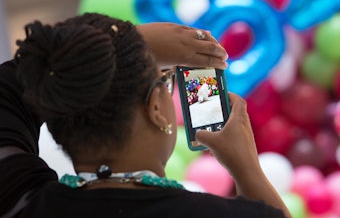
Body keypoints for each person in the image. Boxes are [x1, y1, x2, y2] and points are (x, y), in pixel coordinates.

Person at [0, 13, 291, 218]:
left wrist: (126, 44)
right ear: (155, 108)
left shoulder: (21, 201)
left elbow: (7, 90)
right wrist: (246, 167)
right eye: (164, 81)